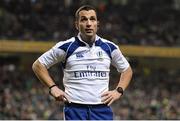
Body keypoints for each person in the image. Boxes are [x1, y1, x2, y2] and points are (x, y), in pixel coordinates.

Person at [32, 5, 133, 120]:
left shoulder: (110, 47)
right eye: (84, 19)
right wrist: (53, 87)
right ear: (76, 25)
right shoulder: (66, 47)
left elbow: (127, 70)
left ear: (97, 24)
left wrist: (119, 90)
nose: (89, 23)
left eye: (92, 19)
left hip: (102, 110)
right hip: (75, 110)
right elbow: (38, 65)